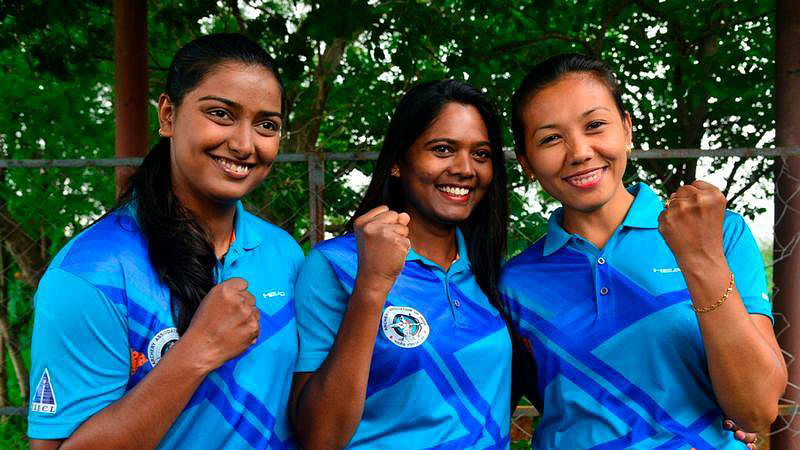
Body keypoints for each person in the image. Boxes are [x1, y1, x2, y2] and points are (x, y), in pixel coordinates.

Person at [28, 33, 303, 449]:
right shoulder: (90, 274)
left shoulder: (283, 253)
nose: (245, 144)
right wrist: (197, 352)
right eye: (221, 114)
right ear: (168, 114)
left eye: (267, 125)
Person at [501, 53, 787, 449]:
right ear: (526, 163)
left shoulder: (720, 233)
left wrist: (699, 257)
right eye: (551, 138)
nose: (580, 151)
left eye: (595, 125)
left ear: (627, 129)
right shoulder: (515, 281)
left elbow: (755, 411)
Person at [290, 79, 514, 449]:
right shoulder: (337, 265)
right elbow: (320, 437)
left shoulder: (489, 271)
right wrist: (372, 285)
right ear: (397, 162)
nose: (465, 168)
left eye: (481, 154)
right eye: (442, 149)